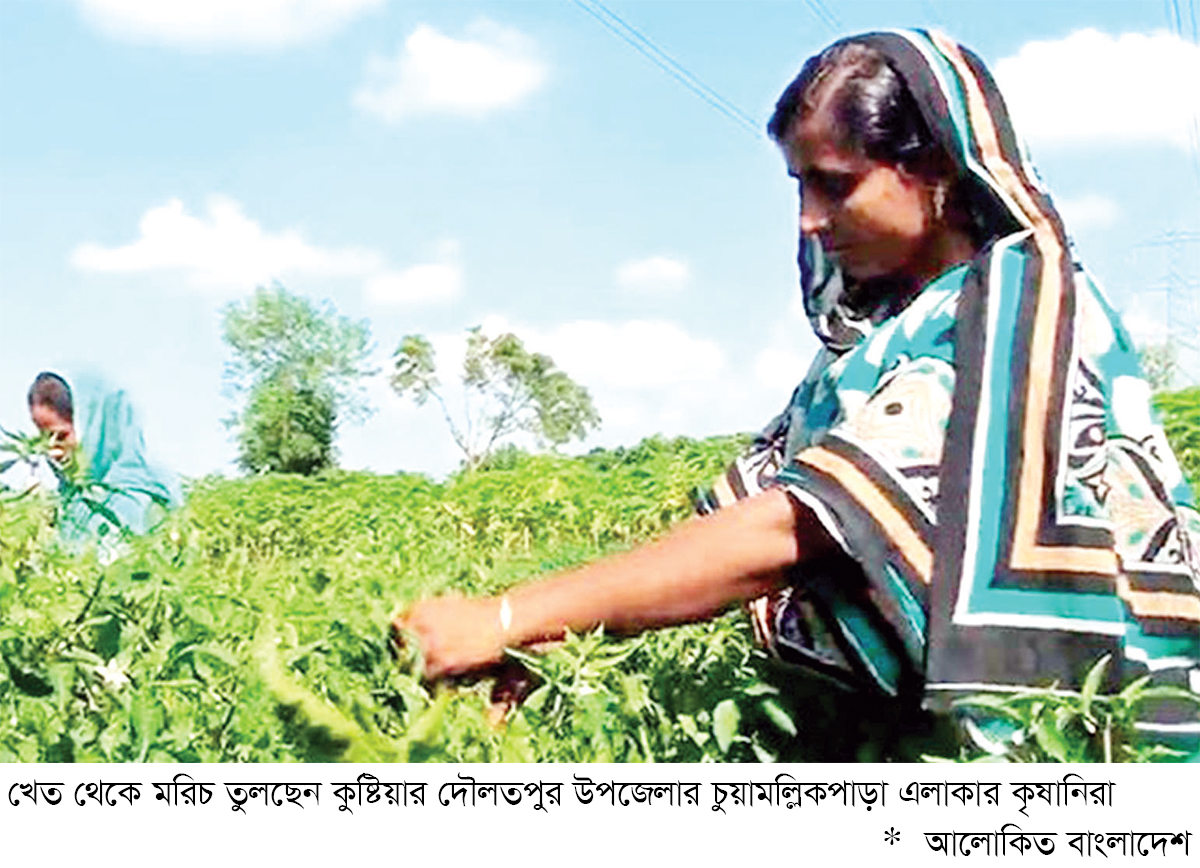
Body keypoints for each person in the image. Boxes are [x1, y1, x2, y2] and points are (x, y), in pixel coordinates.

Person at [395, 30, 1200, 751]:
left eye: (834, 184)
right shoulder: (884, 336)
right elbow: (748, 511)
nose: (809, 219)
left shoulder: (1016, 319)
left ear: (935, 173)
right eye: (798, 186)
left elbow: (798, 525)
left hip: (1112, 745)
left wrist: (509, 615)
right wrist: (563, 636)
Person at [27, 369, 180, 541]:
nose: (53, 452)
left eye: (62, 437)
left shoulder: (144, 498)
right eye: (44, 438)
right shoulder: (67, 505)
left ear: (94, 429)